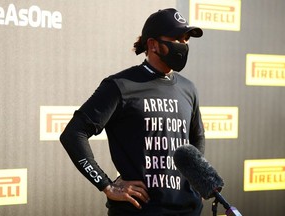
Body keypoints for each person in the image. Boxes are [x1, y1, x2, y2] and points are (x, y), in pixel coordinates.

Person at [60, 8, 205, 216]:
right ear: (153, 45)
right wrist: (106, 185)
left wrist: (197, 179)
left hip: (188, 210)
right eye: (176, 38)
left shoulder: (188, 88)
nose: (183, 45)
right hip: (139, 211)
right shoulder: (120, 85)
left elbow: (197, 136)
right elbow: (73, 133)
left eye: (185, 39)